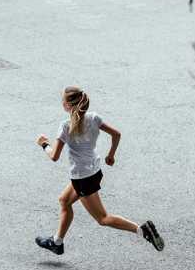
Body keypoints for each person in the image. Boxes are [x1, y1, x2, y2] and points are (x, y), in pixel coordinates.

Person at [34, 86, 164, 255]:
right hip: (94, 171)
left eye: (63, 101)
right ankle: (57, 242)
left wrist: (44, 144)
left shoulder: (65, 127)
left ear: (67, 106)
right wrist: (110, 156)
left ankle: (142, 230)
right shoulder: (94, 118)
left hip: (82, 178)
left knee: (102, 218)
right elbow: (116, 134)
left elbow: (54, 156)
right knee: (64, 201)